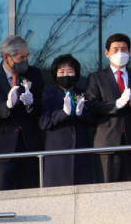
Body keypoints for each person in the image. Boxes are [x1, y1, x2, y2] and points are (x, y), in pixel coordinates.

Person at [0, 35, 44, 190]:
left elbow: (42, 106)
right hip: (2, 146)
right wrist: (7, 106)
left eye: (27, 56)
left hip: (29, 145)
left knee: (29, 192)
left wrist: (31, 105)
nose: (25, 60)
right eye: (21, 57)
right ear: (6, 57)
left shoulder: (35, 74)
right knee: (3, 192)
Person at [85, 33, 131, 183]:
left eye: (124, 49)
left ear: (129, 53)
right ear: (107, 53)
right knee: (106, 186)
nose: (120, 53)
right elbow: (90, 105)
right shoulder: (96, 77)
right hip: (107, 141)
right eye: (115, 49)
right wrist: (116, 104)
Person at [39, 54, 93, 187]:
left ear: (76, 74)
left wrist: (81, 113)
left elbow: (93, 119)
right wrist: (63, 113)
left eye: (70, 71)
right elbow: (44, 122)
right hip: (57, 155)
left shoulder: (84, 93)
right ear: (55, 75)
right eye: (61, 72)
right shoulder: (47, 95)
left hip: (81, 152)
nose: (66, 75)